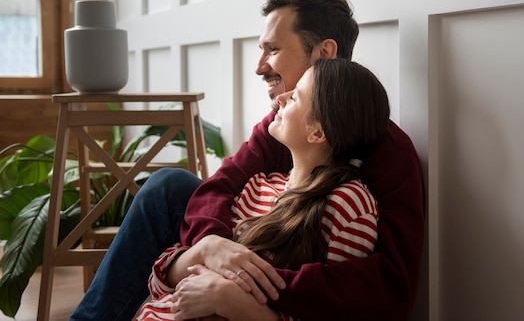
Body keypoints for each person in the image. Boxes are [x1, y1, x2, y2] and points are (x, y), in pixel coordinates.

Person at [71, 0, 424, 321]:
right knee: (168, 185)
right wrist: (211, 246)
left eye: (273, 50)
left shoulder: (390, 155)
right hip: (242, 260)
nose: (259, 66)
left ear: (324, 53)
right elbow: (218, 188)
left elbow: (389, 291)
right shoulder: (276, 132)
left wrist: (246, 285)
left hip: (281, 288)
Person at [135, 58, 391, 320]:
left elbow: (334, 310)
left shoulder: (348, 205)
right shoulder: (256, 187)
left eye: (295, 98)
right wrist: (203, 249)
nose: (281, 98)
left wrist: (229, 299)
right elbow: (158, 285)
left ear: (318, 132)